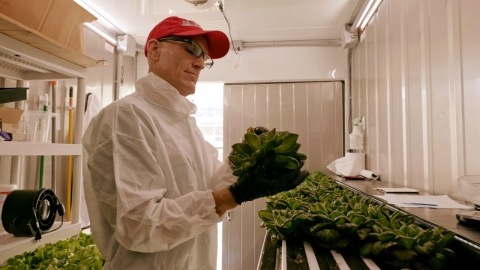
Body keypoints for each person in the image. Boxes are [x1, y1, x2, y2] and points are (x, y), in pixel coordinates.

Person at [82, 16, 309, 269]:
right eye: (193, 49)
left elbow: (208, 186)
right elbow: (139, 225)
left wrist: (242, 160)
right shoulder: (126, 116)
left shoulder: (182, 122)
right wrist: (234, 196)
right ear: (155, 50)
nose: (200, 63)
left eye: (205, 58)